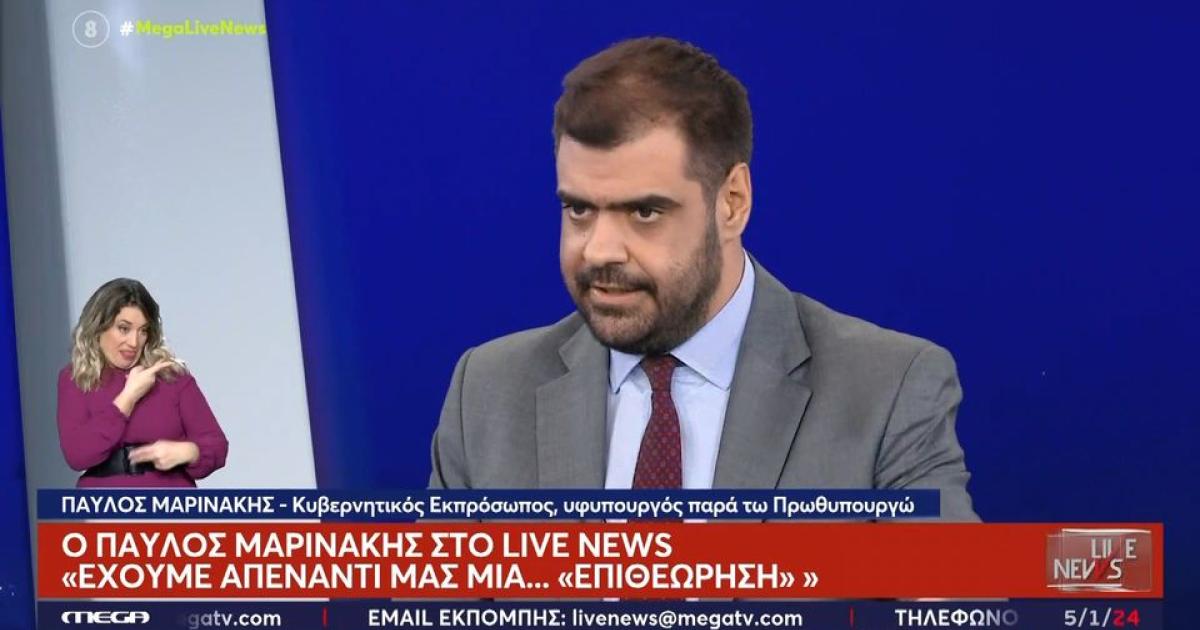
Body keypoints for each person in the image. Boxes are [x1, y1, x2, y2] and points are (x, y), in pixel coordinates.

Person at [428, 37, 977, 520]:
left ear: (732, 202)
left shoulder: (888, 390)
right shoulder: (487, 393)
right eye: (579, 209)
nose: (599, 250)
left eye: (645, 212)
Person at [57, 278, 228, 487]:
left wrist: (189, 452)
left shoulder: (171, 376)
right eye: (124, 328)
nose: (134, 342)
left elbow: (217, 445)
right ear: (98, 327)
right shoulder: (76, 378)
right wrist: (128, 397)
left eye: (143, 331)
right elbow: (77, 455)